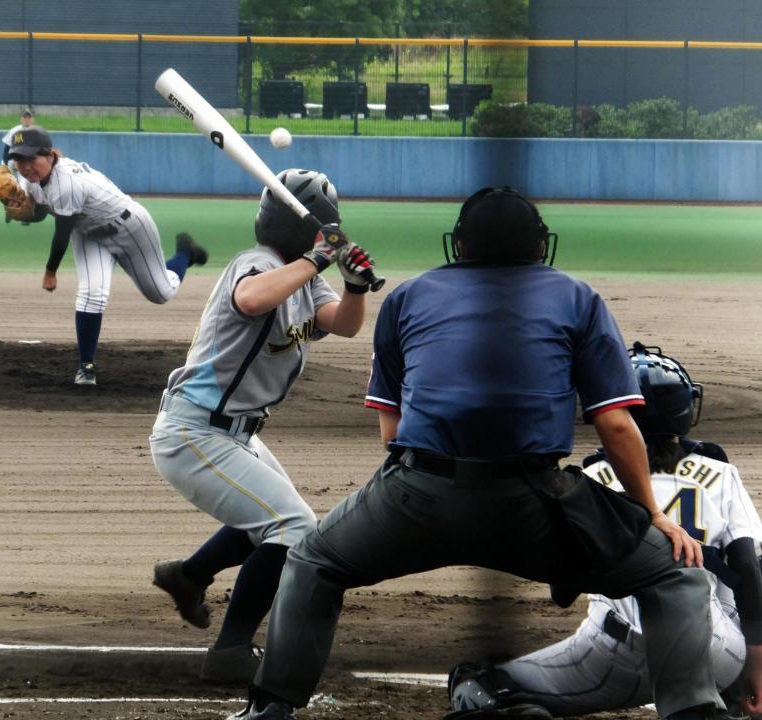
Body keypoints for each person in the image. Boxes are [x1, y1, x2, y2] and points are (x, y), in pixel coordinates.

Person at [233, 186, 726, 720]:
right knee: (675, 575)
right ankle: (693, 711)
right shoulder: (577, 298)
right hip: (534, 502)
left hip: (417, 493)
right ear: (541, 246)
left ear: (459, 246)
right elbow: (616, 423)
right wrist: (652, 514)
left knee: (312, 560)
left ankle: (271, 709)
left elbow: (390, 434)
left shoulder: (408, 297)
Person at [447, 342, 762, 719]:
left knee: (478, 686)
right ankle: (727, 705)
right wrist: (757, 664)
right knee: (730, 568)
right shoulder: (720, 473)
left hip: (616, 656)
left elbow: (561, 591)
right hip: (714, 653)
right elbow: (748, 569)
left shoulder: (591, 479)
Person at [148, 168, 377, 685]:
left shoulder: (304, 277)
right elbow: (251, 300)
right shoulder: (256, 264)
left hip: (236, 434)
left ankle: (188, 576)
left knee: (279, 520)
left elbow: (341, 323)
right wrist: (317, 257)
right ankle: (230, 650)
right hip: (194, 432)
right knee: (291, 528)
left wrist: (355, 285)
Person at [5, 125, 208, 385]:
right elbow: (44, 210)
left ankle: (184, 253)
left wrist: (50, 271)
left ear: (51, 155)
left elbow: (62, 231)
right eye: (18, 159)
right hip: (89, 234)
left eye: (31, 158)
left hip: (129, 226)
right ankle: (86, 367)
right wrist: (19, 212)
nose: (25, 166)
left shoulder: (69, 182)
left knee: (161, 292)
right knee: (92, 293)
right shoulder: (28, 181)